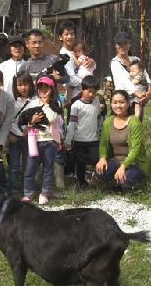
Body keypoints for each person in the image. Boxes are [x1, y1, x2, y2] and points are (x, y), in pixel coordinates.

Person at [22, 76, 63, 205]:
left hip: (50, 140)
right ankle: (28, 193)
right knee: (30, 168)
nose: (43, 91)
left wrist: (45, 104)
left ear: (51, 89)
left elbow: (52, 118)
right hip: (34, 139)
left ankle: (45, 193)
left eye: (46, 88)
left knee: (48, 168)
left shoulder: (55, 104)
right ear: (37, 89)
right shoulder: (33, 103)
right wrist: (32, 121)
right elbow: (26, 119)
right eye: (41, 88)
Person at [95, 90, 147, 191]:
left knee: (126, 181)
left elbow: (135, 150)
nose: (118, 105)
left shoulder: (134, 122)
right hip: (115, 160)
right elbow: (103, 144)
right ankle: (115, 180)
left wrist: (123, 166)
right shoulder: (108, 121)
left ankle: (135, 181)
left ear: (128, 104)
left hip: (134, 163)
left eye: (121, 102)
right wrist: (102, 158)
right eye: (115, 102)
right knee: (100, 172)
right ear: (111, 104)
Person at [65, 75, 101, 190]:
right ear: (82, 89)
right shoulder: (76, 105)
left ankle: (96, 178)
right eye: (89, 91)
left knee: (95, 159)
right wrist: (68, 140)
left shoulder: (96, 103)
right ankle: (82, 182)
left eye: (94, 92)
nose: (91, 94)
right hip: (79, 140)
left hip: (93, 139)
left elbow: (99, 117)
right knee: (81, 163)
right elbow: (72, 124)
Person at [109, 31, 151, 120]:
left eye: (125, 43)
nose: (122, 46)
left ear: (129, 44)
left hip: (139, 100)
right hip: (122, 101)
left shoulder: (136, 59)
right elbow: (124, 82)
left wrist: (149, 92)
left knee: (136, 127)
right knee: (123, 130)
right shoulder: (115, 63)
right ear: (116, 45)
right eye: (119, 44)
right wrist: (138, 94)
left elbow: (145, 76)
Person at [7, 72, 35, 198]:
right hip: (15, 137)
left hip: (29, 138)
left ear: (30, 84)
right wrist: (9, 135)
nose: (23, 87)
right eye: (19, 85)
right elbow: (7, 120)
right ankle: (13, 190)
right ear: (15, 86)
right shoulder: (12, 101)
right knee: (14, 165)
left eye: (25, 84)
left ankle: (27, 189)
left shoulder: (35, 101)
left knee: (28, 164)